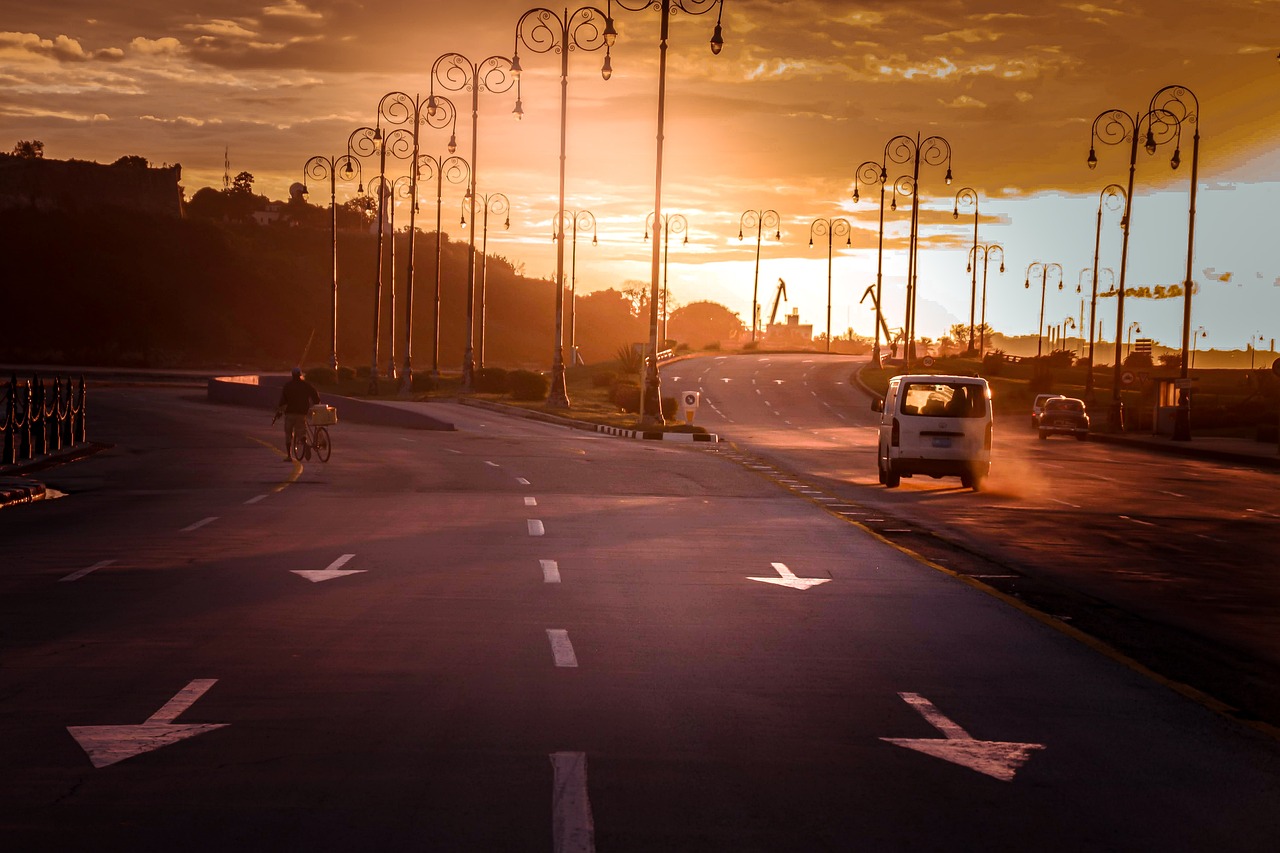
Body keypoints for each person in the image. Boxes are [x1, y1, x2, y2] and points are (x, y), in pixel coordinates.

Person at [275, 367, 319, 461]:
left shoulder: (287, 386)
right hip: (302, 412)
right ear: (300, 375)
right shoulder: (306, 385)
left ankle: (289, 456)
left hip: (290, 413)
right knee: (301, 432)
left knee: (288, 434)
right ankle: (305, 444)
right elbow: (314, 394)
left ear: (292, 375)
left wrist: (279, 412)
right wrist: (317, 402)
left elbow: (283, 401)